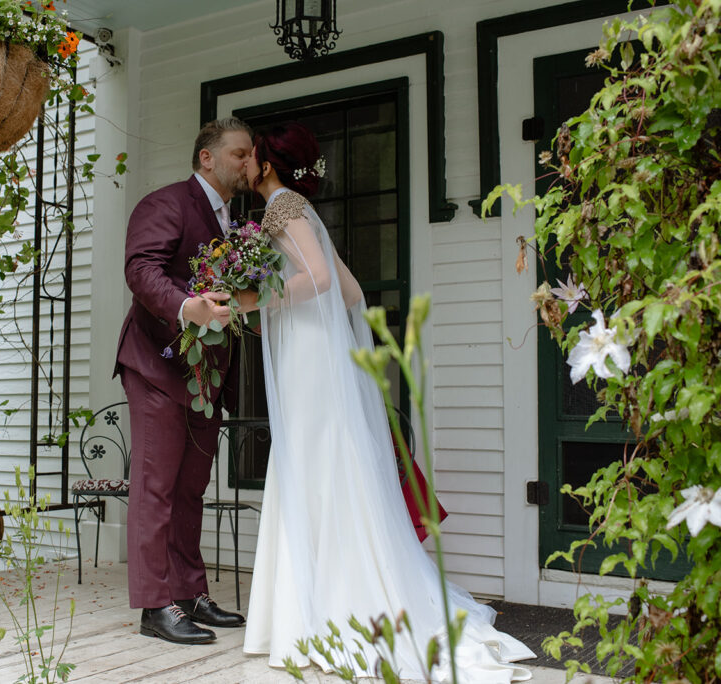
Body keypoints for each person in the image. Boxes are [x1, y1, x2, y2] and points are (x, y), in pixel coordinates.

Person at [237, 122, 536, 682]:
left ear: (267, 162)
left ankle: (308, 616)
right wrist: (280, 304)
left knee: (311, 469)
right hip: (322, 357)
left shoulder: (279, 207)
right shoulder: (298, 209)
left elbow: (323, 280)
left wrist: (251, 302)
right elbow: (351, 292)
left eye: (250, 152)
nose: (247, 162)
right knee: (325, 467)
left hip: (308, 358)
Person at [112, 118, 252, 645]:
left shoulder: (232, 221)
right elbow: (141, 269)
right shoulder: (165, 202)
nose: (247, 162)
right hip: (155, 366)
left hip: (204, 376)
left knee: (191, 488)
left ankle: (190, 593)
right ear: (208, 158)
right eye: (239, 154)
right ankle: (155, 605)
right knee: (156, 486)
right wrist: (185, 306)